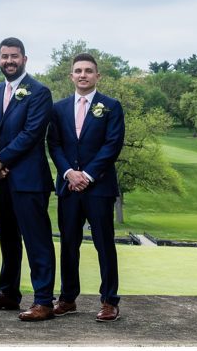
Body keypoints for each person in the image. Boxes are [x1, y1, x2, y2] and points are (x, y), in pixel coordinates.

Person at [47, 53, 125, 322]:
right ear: (71, 76)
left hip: (99, 187)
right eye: (78, 70)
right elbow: (54, 145)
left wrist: (88, 175)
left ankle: (109, 301)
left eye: (88, 71)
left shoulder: (111, 107)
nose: (83, 75)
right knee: (69, 244)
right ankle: (68, 298)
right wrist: (69, 173)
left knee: (104, 244)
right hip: (68, 187)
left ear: (97, 76)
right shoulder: (58, 108)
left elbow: (112, 145)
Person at [0, 37, 56, 321]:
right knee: (8, 240)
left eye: (14, 56)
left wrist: (1, 159)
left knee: (36, 240)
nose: (9, 61)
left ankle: (43, 301)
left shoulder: (39, 92)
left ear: (25, 59)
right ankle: (9, 293)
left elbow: (32, 133)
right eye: (4, 56)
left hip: (28, 180)